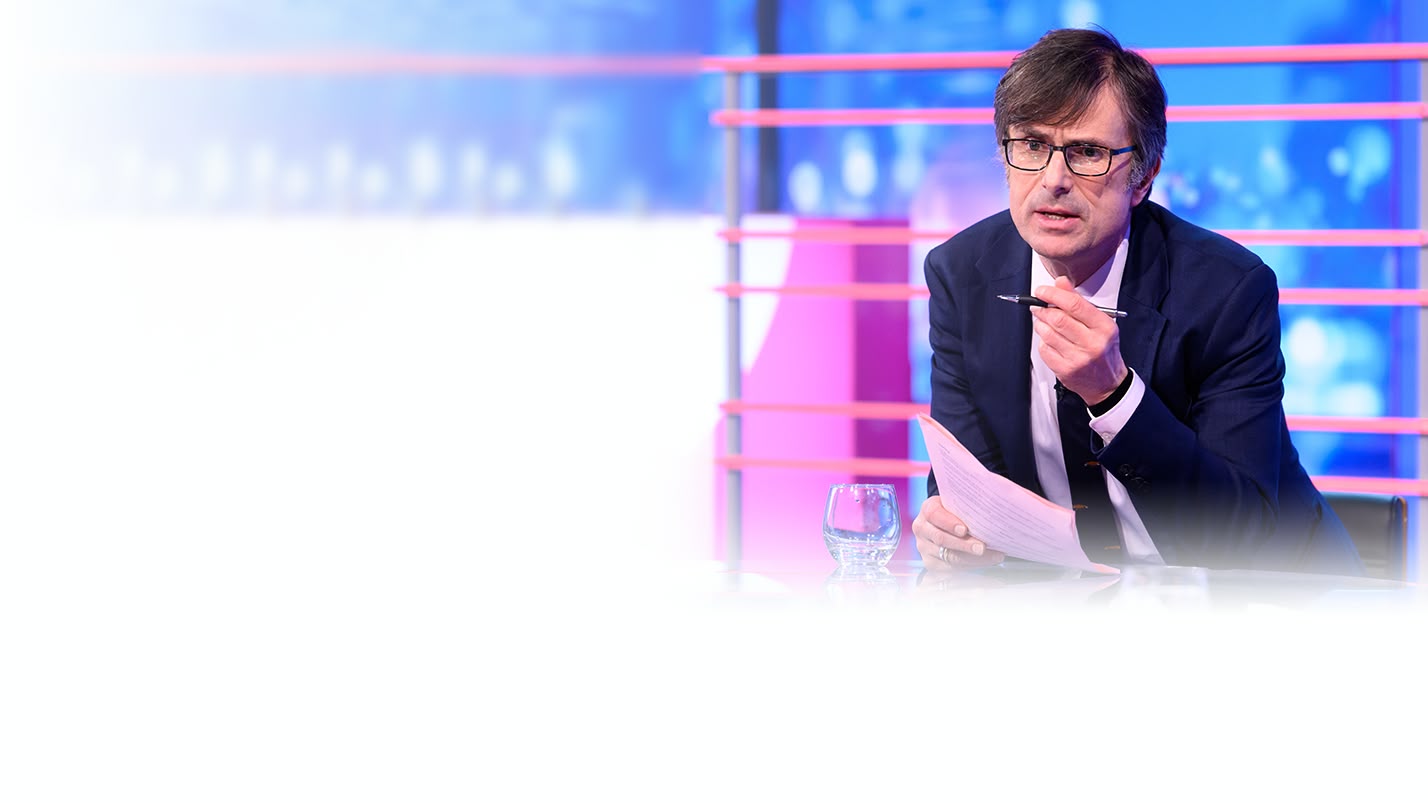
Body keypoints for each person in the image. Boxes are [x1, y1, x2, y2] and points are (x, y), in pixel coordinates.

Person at [914, 27, 1363, 575]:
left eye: (1088, 152)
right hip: (1068, 600)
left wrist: (1113, 396)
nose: (1053, 179)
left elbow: (1241, 535)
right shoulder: (961, 274)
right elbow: (971, 479)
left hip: (1270, 594)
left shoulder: (1227, 292)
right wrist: (951, 528)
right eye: (1031, 145)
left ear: (1144, 176)